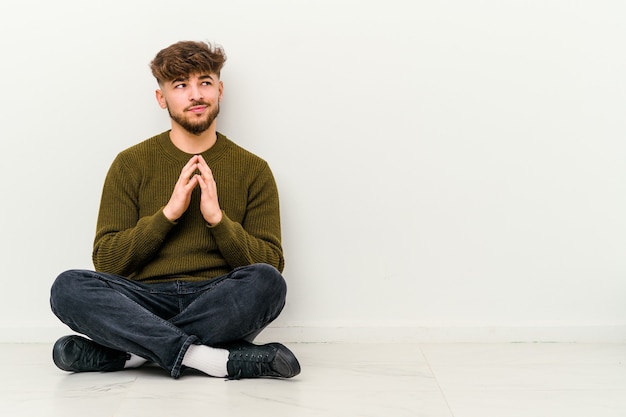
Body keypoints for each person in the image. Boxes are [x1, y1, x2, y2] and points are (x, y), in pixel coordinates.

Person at [49, 40, 300, 380]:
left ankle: (132, 353)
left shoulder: (254, 170)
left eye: (204, 82)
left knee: (268, 283)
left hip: (215, 297)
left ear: (220, 90)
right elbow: (106, 261)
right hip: (142, 300)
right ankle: (211, 359)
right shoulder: (130, 163)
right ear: (162, 98)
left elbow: (271, 264)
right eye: (181, 85)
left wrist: (218, 220)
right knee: (67, 287)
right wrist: (167, 215)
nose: (195, 95)